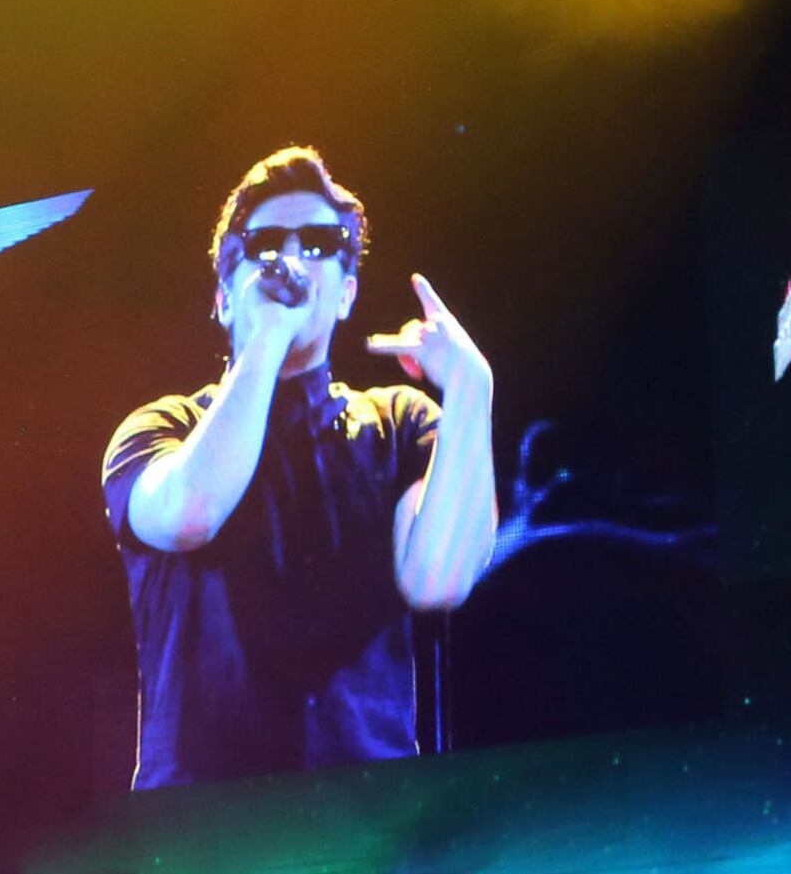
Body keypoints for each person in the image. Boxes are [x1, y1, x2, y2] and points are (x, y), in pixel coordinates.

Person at [104, 148, 500, 789]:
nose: (292, 261)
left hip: (369, 821)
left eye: (319, 243)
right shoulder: (161, 429)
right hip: (200, 830)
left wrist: (472, 390)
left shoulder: (400, 422)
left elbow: (440, 578)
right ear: (223, 299)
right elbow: (187, 514)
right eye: (265, 245)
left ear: (346, 294)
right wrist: (265, 340)